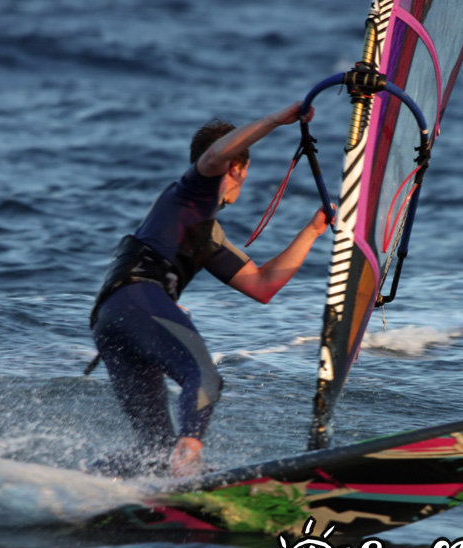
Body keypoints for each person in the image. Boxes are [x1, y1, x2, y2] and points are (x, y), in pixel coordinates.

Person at [89, 101, 330, 477]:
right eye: (242, 167)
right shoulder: (193, 190)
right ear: (239, 167)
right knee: (203, 378)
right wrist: (273, 120)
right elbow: (216, 153)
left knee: (155, 451)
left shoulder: (205, 231)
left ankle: (88, 481)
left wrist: (313, 231)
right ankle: (190, 470)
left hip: (111, 318)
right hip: (138, 300)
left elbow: (263, 285)